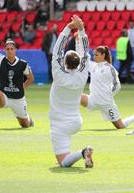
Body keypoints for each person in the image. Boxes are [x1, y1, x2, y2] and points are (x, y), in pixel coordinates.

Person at [49, 15, 93, 168]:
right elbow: (86, 52)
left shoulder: (59, 75)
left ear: (65, 63)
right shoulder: (82, 75)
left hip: (59, 124)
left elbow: (57, 50)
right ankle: (77, 154)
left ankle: (83, 152)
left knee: (63, 163)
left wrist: (69, 27)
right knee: (63, 156)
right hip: (76, 122)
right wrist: (81, 29)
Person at [0, 15, 34, 130]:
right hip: (5, 96)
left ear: (15, 50)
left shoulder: (23, 64)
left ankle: (26, 118)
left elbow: (31, 78)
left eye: (12, 48)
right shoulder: (1, 60)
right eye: (7, 49)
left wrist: (22, 87)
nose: (10, 50)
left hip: (18, 99)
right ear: (4, 50)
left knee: (25, 125)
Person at [80, 46, 134, 129]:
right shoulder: (93, 66)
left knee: (120, 126)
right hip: (93, 100)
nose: (94, 57)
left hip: (106, 103)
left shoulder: (110, 68)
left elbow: (117, 85)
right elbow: (83, 58)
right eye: (93, 55)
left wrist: (109, 95)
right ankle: (72, 121)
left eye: (96, 55)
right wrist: (78, 43)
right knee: (77, 97)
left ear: (103, 55)